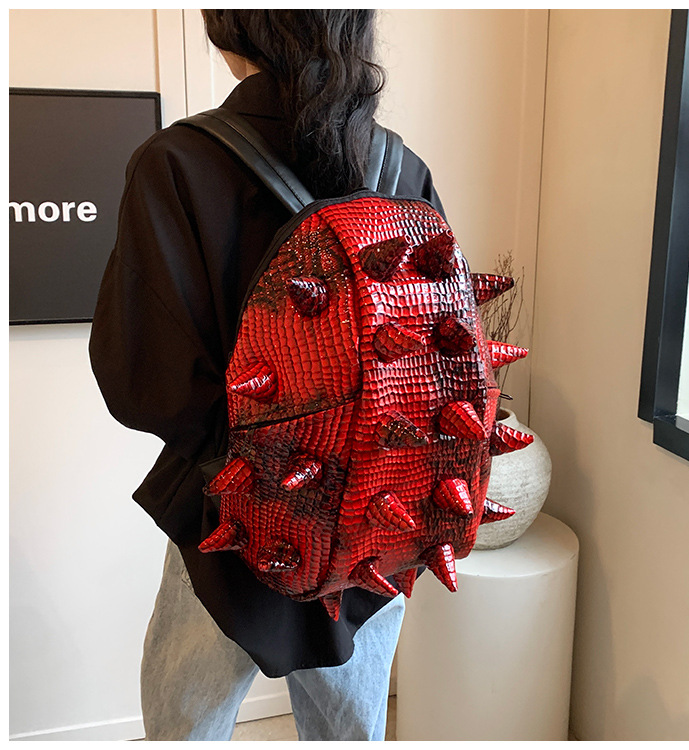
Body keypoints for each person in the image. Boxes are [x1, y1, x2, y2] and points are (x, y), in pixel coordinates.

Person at [89, 9, 446, 742]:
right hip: (371, 520)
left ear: (234, 29)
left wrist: (260, 452)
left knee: (185, 729)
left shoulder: (177, 164)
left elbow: (141, 376)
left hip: (228, 519)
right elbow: (435, 353)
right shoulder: (401, 169)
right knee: (351, 733)